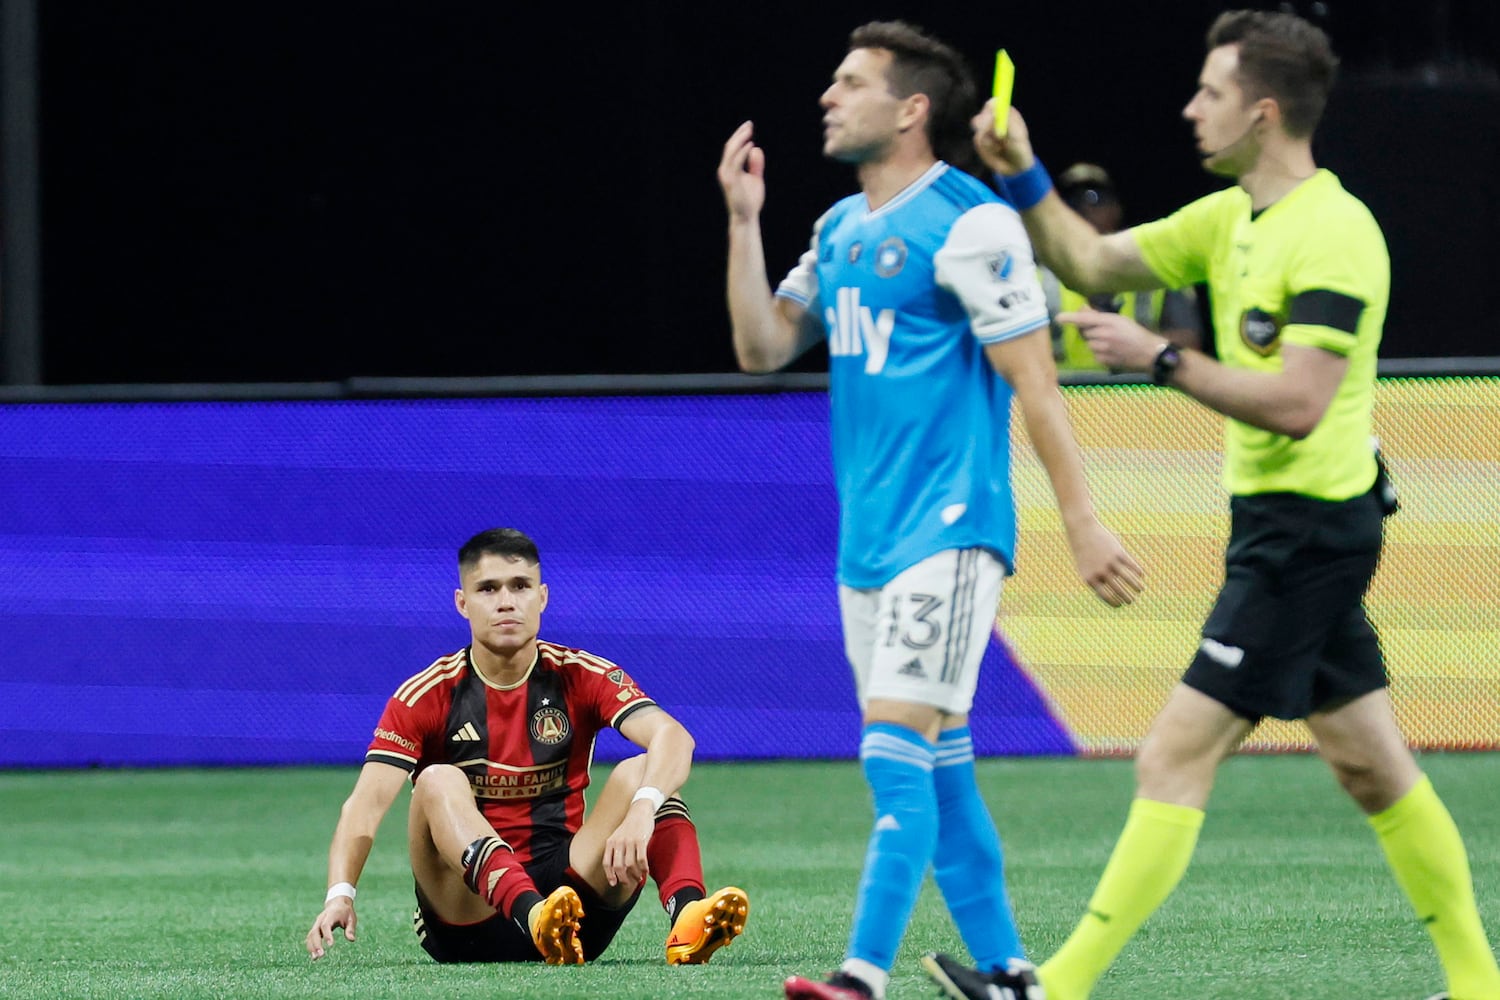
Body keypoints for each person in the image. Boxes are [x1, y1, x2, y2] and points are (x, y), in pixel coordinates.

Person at [923, 9, 1500, 1000]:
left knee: (1173, 753)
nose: (1190, 108)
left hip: (1309, 534)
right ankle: (1479, 982)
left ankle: (1051, 988)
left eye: (1211, 93)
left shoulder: (1336, 235)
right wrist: (1022, 171)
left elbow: (1301, 398)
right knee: (1373, 766)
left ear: (1263, 112)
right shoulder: (1227, 218)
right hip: (1285, 525)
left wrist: (1160, 359)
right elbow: (1094, 263)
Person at [716, 20, 1144, 1000]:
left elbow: (1035, 380)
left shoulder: (971, 220)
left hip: (951, 528)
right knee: (941, 757)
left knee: (893, 746)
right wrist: (744, 218)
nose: (828, 96)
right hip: (867, 538)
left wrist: (1081, 520)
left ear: (910, 109)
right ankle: (1011, 974)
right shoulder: (837, 230)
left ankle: (859, 975)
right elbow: (762, 347)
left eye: (851, 81)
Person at [303, 527, 749, 967]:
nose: (505, 602)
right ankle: (533, 916)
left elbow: (674, 737)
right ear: (463, 603)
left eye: (520, 586)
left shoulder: (580, 674)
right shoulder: (427, 694)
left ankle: (688, 913)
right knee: (438, 780)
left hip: (573, 912)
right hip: (467, 917)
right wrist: (340, 894)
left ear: (543, 597)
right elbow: (364, 806)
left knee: (646, 772)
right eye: (488, 588)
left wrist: (641, 811)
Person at [1039, 162, 1204, 372]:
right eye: (1071, 202)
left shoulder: (1156, 267)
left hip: (1141, 400)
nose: (1085, 208)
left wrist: (1140, 346)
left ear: (1117, 208)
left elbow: (1191, 344)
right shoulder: (1036, 278)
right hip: (1065, 398)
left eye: (1095, 198)